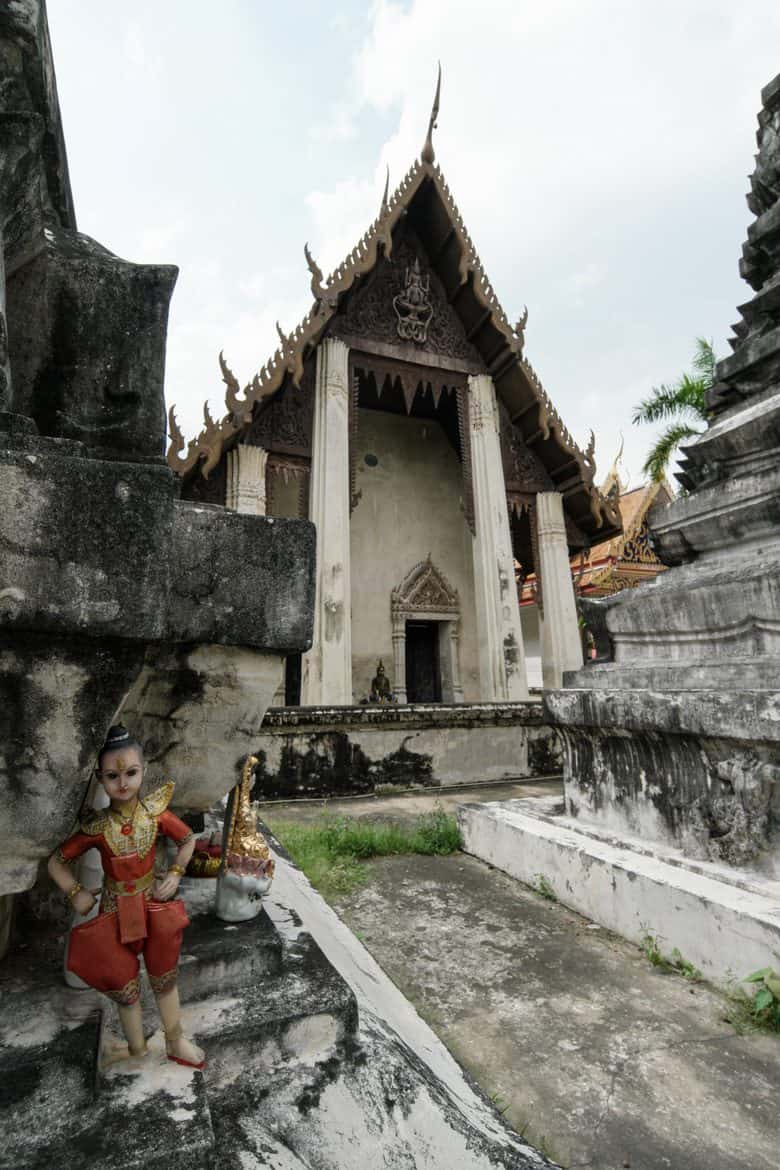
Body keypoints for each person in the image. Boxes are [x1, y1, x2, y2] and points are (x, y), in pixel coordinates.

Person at [47, 725, 205, 1069]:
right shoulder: (98, 827)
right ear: (100, 779)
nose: (123, 783)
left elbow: (188, 839)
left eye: (131, 773)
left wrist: (176, 873)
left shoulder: (155, 814)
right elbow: (57, 862)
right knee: (124, 984)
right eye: (112, 776)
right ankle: (136, 1049)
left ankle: (175, 1040)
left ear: (143, 773)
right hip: (113, 910)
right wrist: (76, 893)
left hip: (152, 905)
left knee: (164, 977)